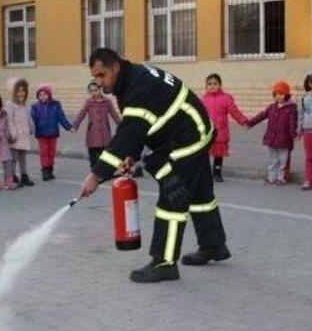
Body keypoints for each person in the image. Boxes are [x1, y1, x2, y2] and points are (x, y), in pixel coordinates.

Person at [78, 48, 229, 283]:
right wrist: (132, 154)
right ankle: (214, 245)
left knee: (172, 195)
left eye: (101, 75)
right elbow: (139, 124)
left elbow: (128, 133)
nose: (98, 81)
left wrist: (96, 174)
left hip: (186, 138)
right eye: (95, 77)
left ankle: (164, 263)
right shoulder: (130, 79)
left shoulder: (137, 86)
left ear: (115, 67)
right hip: (194, 130)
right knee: (199, 193)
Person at [200, 73, 249, 183]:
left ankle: (217, 173)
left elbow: (235, 112)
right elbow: (197, 114)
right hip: (206, 133)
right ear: (206, 86)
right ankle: (205, 174)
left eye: (215, 84)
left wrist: (243, 122)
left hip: (220, 133)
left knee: (218, 155)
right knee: (203, 155)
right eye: (209, 84)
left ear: (220, 85)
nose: (212, 86)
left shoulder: (226, 98)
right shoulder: (203, 100)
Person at [247, 81, 298, 185]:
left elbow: (293, 122)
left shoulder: (291, 108)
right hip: (272, 138)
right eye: (276, 94)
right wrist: (250, 123)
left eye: (281, 94)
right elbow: (262, 116)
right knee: (273, 159)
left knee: (282, 160)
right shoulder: (272, 107)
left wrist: (294, 134)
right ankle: (271, 176)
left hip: (284, 139)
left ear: (287, 95)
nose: (279, 96)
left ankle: (281, 177)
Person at [72, 80, 121, 169]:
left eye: (96, 90)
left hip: (105, 134)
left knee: (105, 157)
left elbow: (114, 115)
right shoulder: (89, 102)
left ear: (100, 90)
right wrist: (75, 126)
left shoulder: (107, 102)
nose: (94, 93)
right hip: (93, 134)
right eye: (91, 91)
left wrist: (121, 126)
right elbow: (81, 114)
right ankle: (94, 172)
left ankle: (103, 171)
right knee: (93, 158)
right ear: (89, 92)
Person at [30, 82, 72, 180]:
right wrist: (29, 128)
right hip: (41, 133)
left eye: (45, 94)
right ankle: (45, 170)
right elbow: (32, 119)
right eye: (40, 95)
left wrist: (69, 127)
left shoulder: (56, 105)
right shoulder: (35, 107)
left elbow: (61, 117)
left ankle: (50, 169)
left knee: (51, 152)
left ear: (49, 94)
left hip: (53, 132)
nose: (42, 97)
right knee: (44, 152)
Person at [4, 77, 34, 187]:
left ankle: (24, 175)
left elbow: (28, 117)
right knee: (14, 158)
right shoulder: (9, 104)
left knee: (23, 157)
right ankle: (12, 176)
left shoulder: (25, 104)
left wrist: (31, 127)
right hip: (15, 136)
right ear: (13, 92)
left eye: (23, 91)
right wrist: (13, 133)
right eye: (18, 91)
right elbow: (9, 120)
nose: (21, 93)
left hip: (24, 135)